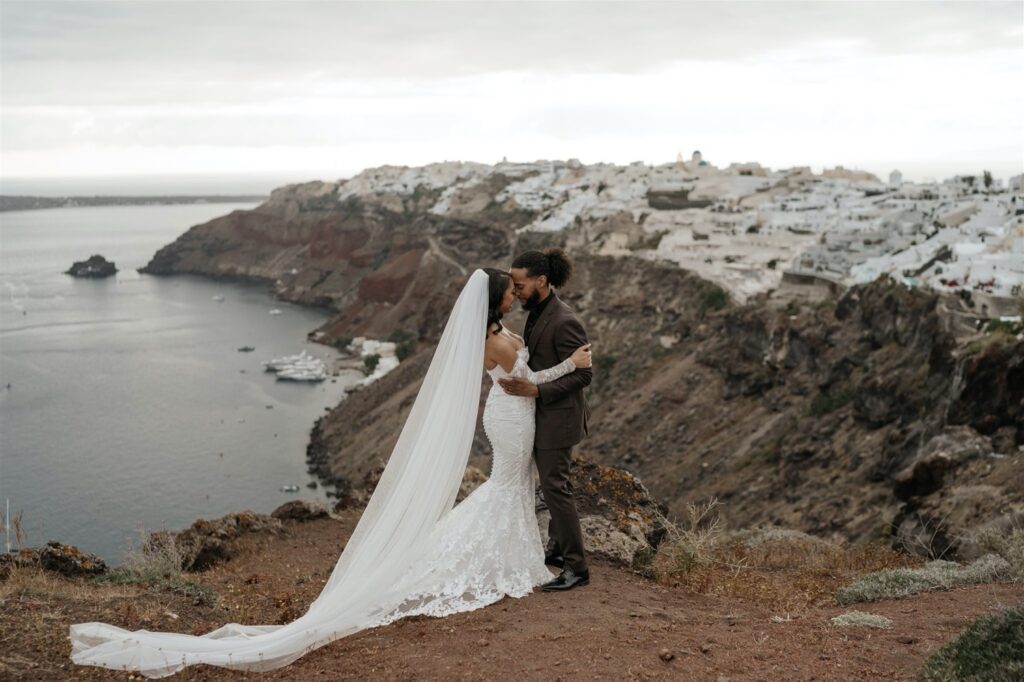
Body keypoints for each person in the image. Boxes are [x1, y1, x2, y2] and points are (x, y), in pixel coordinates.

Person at [68, 266, 591, 678]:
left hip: (516, 415)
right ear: (496, 298)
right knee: (505, 487)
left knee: (511, 486)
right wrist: (574, 366)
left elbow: (525, 372)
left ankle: (519, 550)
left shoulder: (497, 331)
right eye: (509, 290)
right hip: (513, 417)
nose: (514, 294)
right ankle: (500, 555)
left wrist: (556, 370)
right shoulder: (497, 340)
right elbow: (529, 376)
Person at [499, 248, 593, 591]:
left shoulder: (565, 320)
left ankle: (576, 568)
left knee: (556, 489)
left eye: (520, 285)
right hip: (545, 415)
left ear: (541, 281)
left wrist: (537, 392)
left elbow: (585, 376)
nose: (516, 291)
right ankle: (556, 548)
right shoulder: (538, 310)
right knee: (553, 487)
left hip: (559, 419)